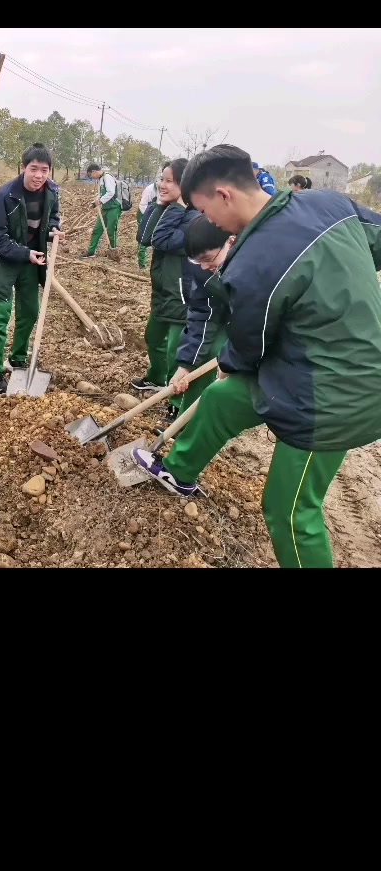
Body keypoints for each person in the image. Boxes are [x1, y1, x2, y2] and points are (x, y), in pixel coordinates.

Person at [131, 143, 381, 569]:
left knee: (289, 512)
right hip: (301, 366)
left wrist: (226, 362)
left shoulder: (253, 262)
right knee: (221, 399)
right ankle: (180, 471)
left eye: (205, 211)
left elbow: (247, 348)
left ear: (224, 195)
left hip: (336, 393)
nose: (206, 221)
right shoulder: (329, 203)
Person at [0, 143, 61, 394]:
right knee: (1, 315)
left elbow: (53, 216)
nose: (39, 175)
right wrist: (25, 253)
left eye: (44, 170)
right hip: (2, 261)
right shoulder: (4, 195)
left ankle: (18, 357)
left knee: (30, 311)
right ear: (23, 168)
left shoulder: (52, 192)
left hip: (30, 262)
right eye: (34, 169)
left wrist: (53, 230)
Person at [130, 158, 197, 393]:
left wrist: (177, 207)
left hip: (181, 292)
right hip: (161, 288)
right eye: (162, 179)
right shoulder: (168, 209)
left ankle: (176, 398)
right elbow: (145, 237)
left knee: (176, 349)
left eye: (170, 181)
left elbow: (162, 240)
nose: (163, 185)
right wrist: (159, 205)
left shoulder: (194, 218)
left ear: (186, 185)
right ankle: (156, 377)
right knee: (153, 337)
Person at [166, 216, 234, 420]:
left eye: (207, 259)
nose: (203, 267)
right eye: (197, 261)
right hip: (229, 315)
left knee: (223, 362)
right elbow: (203, 313)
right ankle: (186, 423)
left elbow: (260, 316)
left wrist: (234, 359)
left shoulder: (256, 264)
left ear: (230, 242)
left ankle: (206, 420)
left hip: (260, 324)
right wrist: (186, 365)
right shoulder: (204, 269)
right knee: (202, 356)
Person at [85, 163, 121, 255]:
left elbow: (111, 192)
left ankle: (113, 251)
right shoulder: (100, 179)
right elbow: (101, 193)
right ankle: (91, 252)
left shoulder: (107, 177)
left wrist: (100, 201)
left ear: (94, 171)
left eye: (91, 175)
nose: (91, 177)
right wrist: (96, 201)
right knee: (97, 229)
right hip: (105, 208)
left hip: (114, 207)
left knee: (111, 230)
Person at [137, 177, 158, 269]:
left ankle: (156, 264)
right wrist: (150, 218)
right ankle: (141, 265)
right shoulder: (149, 190)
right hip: (144, 214)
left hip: (157, 215)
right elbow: (142, 205)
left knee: (157, 238)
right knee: (143, 239)